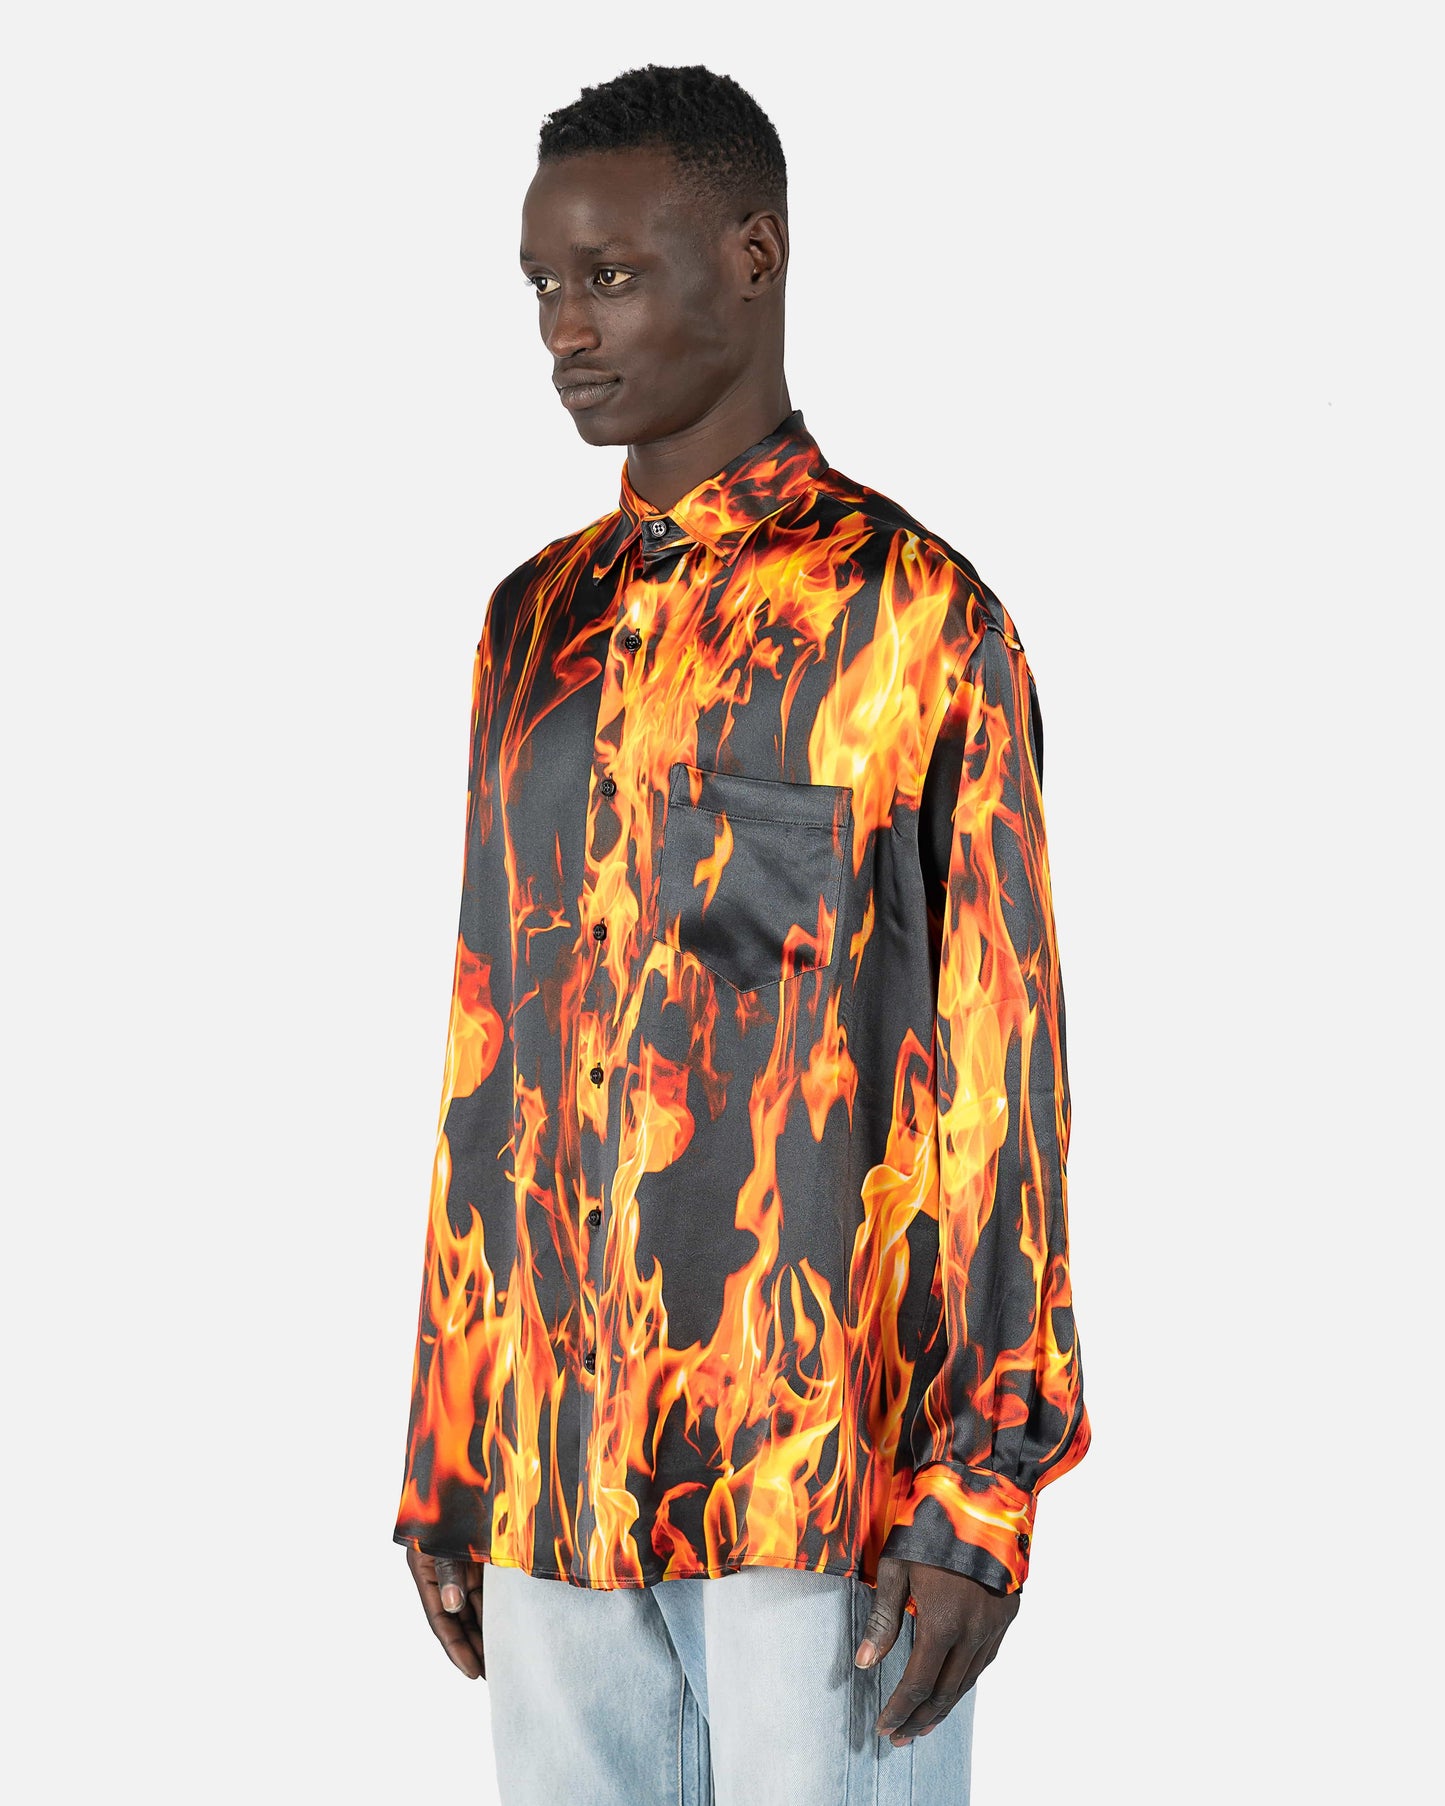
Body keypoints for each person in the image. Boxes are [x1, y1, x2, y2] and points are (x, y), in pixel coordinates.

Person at [393, 62, 1090, 1806]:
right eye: (542, 283)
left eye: (609, 275)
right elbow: (489, 1048)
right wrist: (451, 1439)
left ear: (754, 256)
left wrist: (981, 1485)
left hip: (818, 1485)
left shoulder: (913, 619)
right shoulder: (528, 628)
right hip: (549, 1482)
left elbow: (999, 1076)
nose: (564, 327)